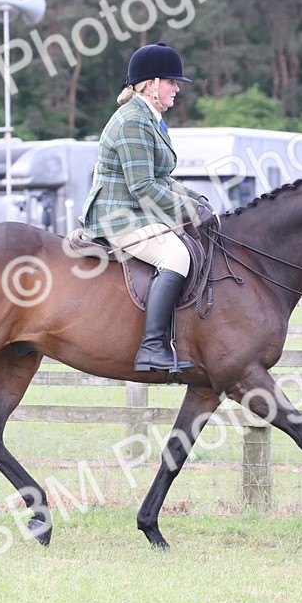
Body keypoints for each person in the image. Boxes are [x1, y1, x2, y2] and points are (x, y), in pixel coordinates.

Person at [81, 42, 212, 374]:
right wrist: (188, 210)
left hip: (137, 212)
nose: (177, 88)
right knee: (175, 256)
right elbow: (142, 187)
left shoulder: (149, 118)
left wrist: (196, 199)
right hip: (118, 216)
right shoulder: (133, 121)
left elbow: (161, 178)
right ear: (151, 84)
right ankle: (152, 347)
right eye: (171, 82)